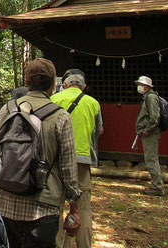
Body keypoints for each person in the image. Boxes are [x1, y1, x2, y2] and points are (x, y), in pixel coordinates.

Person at [0, 58, 81, 248]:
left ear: (27, 83)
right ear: (53, 84)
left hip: (5, 203)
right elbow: (69, 169)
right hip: (43, 208)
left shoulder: (7, 110)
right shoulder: (61, 117)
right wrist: (75, 208)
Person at [51, 71, 103, 248]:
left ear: (65, 84)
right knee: (84, 207)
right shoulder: (93, 103)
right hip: (81, 159)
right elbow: (98, 131)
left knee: (55, 205)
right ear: (84, 86)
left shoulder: (54, 99)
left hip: (56, 160)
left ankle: (57, 244)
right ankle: (82, 244)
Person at [135, 75, 164, 196]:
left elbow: (154, 117)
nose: (139, 87)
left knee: (151, 159)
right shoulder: (147, 97)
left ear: (146, 86)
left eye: (141, 85)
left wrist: (148, 130)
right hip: (147, 132)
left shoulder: (151, 98)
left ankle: (157, 186)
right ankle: (156, 184)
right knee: (150, 158)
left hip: (151, 133)